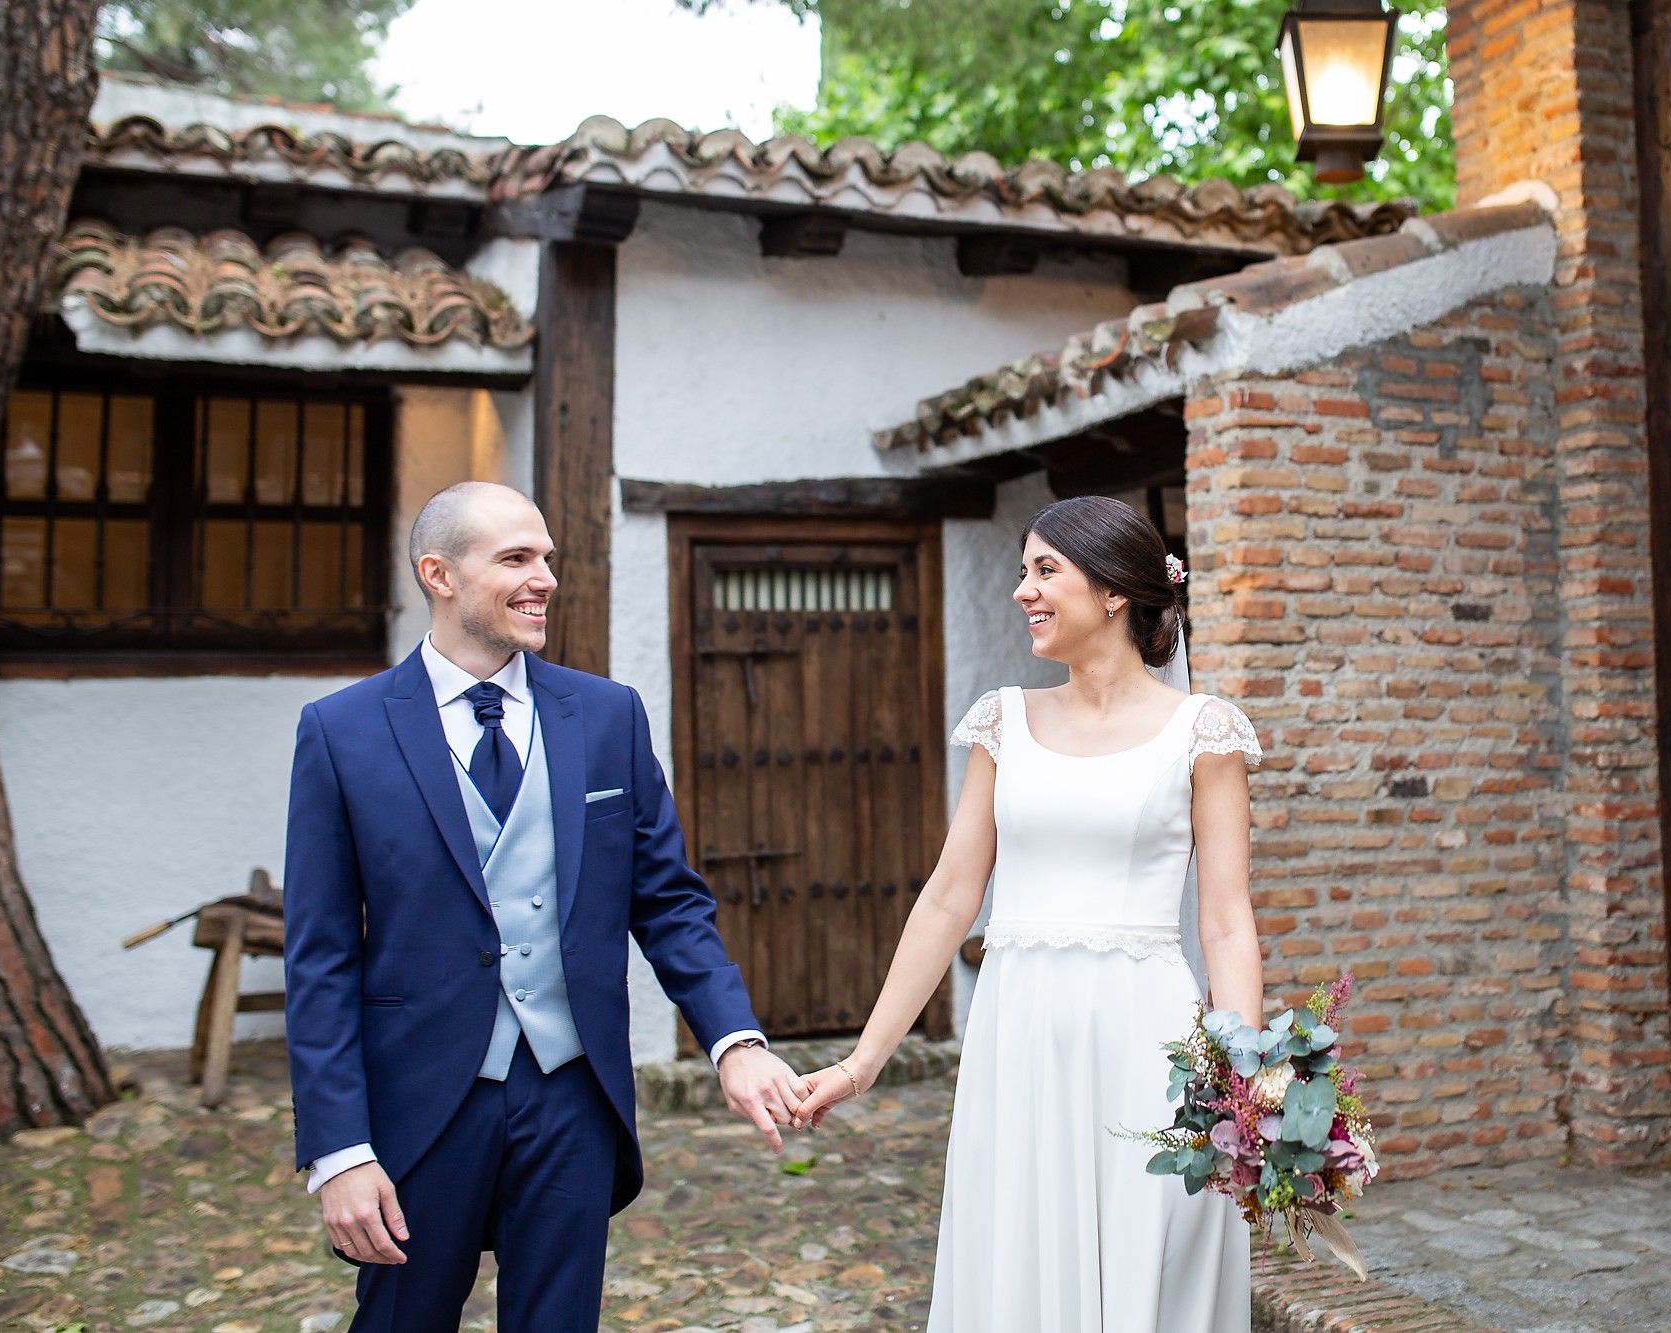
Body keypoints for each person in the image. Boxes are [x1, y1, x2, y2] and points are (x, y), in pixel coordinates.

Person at [282, 481, 806, 1332]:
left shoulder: (605, 715)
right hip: (420, 1101)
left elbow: (668, 901)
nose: (545, 579)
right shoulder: (342, 731)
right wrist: (338, 1150)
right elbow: (319, 956)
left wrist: (734, 1040)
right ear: (439, 574)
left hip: (572, 1092)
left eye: (548, 559)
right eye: (516, 558)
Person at [794, 494, 1265, 1331]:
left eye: (1045, 569)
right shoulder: (1003, 722)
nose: (1023, 591)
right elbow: (948, 895)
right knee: (1014, 1260)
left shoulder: (1203, 731)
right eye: (1022, 571)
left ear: (1116, 592)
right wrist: (864, 1062)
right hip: (1017, 1033)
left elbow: (1225, 920)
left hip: (1143, 1037)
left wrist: (1242, 1086)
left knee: (1146, 1254)